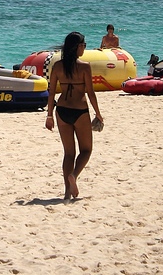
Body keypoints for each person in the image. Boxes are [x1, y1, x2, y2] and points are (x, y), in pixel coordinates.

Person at [45, 32, 103, 201]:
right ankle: (74, 176)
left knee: (69, 153)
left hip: (61, 111)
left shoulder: (57, 66)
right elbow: (91, 93)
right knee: (86, 149)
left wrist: (49, 116)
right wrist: (98, 113)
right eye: (83, 45)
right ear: (77, 47)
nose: (84, 47)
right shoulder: (84, 66)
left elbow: (51, 93)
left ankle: (67, 192)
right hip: (79, 111)